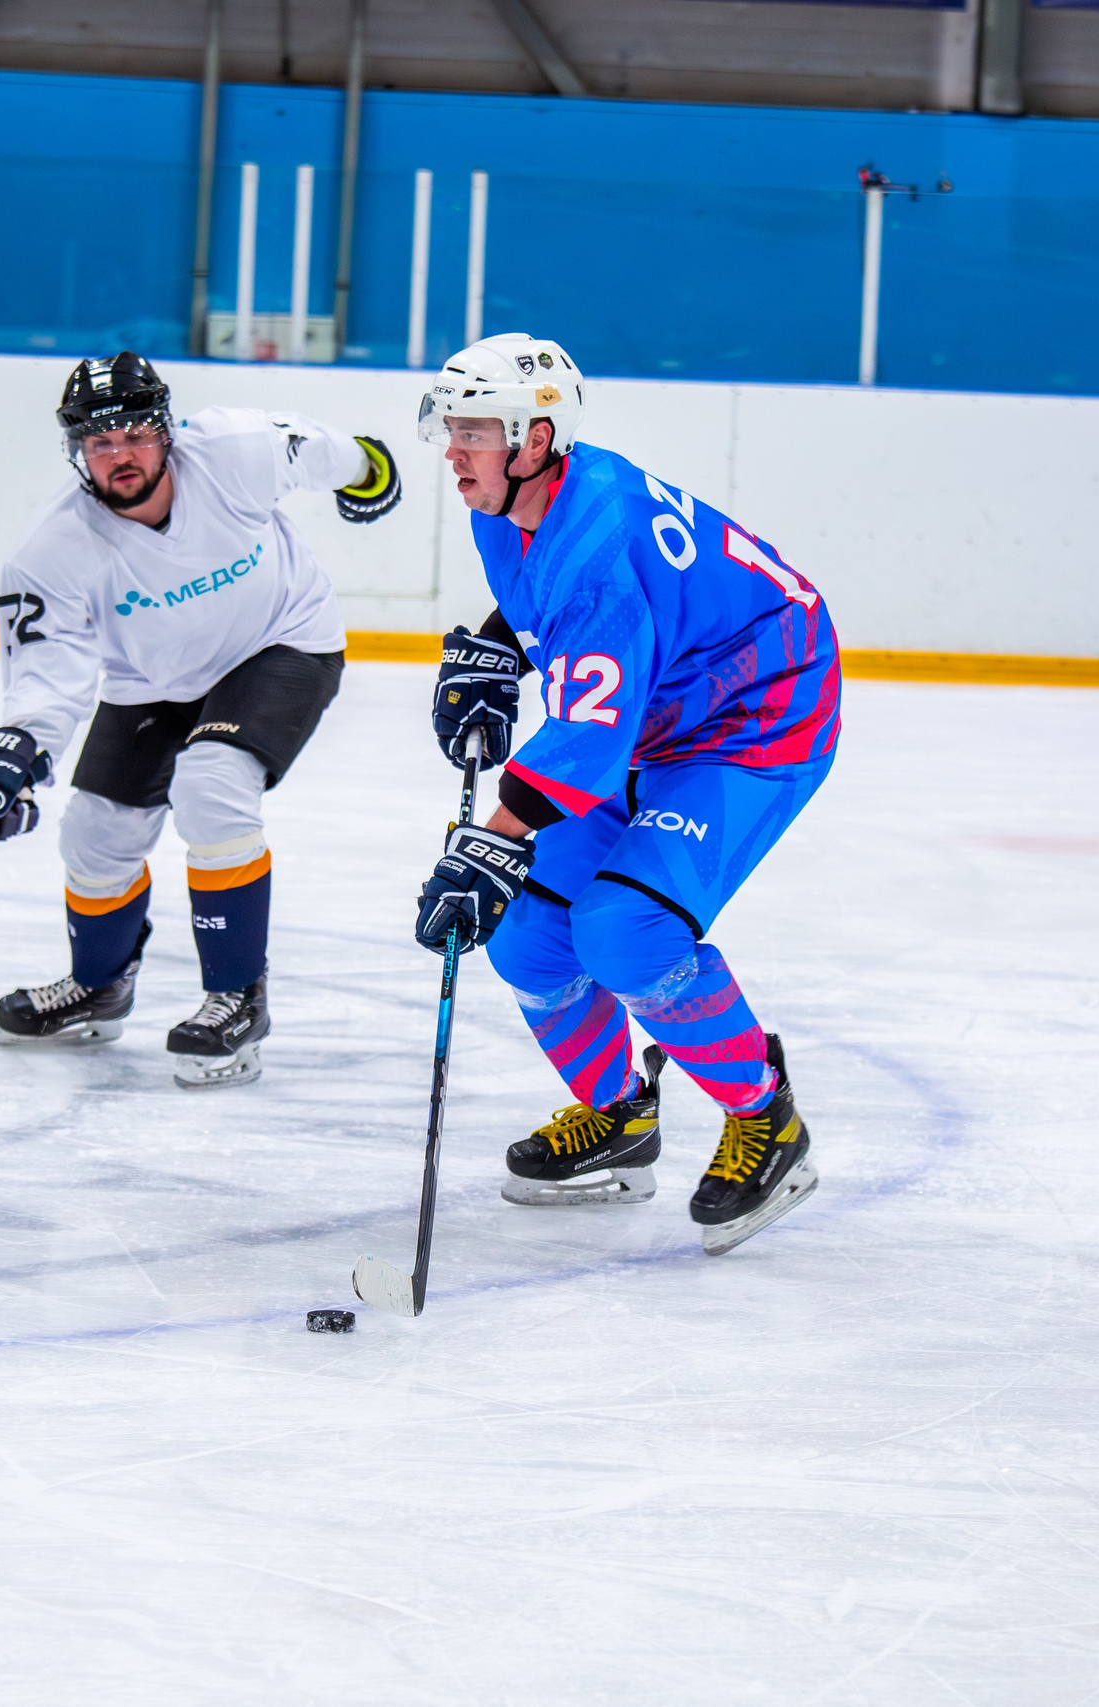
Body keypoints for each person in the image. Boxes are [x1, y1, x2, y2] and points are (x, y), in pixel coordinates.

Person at [411, 333, 841, 1256]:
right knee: (528, 939)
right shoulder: (513, 502)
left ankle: (768, 1119)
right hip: (661, 708)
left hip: (756, 719)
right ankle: (620, 1116)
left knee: (625, 932)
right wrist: (498, 649)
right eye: (452, 426)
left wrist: (492, 837)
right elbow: (557, 610)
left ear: (536, 439)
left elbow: (592, 738)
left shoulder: (593, 536)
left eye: (475, 429)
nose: (454, 447)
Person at [0, 353, 403, 1087]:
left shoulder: (234, 449)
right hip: (154, 679)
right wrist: (13, 754)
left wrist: (369, 473)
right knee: (95, 829)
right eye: (98, 443)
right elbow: (48, 676)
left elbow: (333, 452)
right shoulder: (51, 552)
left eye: (133, 433)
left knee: (212, 781)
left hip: (281, 641)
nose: (119, 455)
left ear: (166, 430)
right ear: (78, 451)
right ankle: (98, 984)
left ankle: (238, 996)